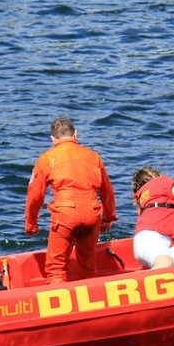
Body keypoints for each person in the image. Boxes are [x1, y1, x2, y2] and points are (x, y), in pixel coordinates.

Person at [25, 118, 118, 283]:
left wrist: (31, 223)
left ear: (53, 139)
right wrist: (109, 217)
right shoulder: (93, 156)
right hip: (92, 212)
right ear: (75, 134)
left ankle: (57, 306)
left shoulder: (46, 158)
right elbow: (107, 190)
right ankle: (92, 302)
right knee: (88, 267)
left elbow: (35, 195)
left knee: (56, 270)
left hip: (65, 214)